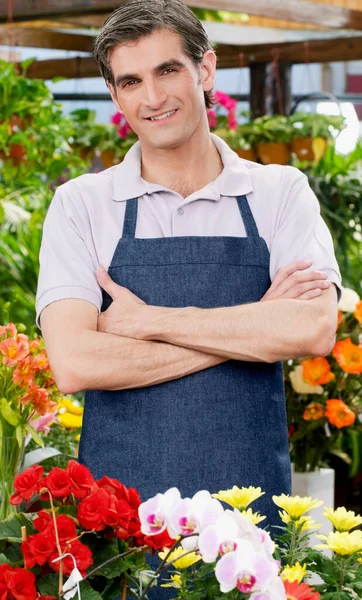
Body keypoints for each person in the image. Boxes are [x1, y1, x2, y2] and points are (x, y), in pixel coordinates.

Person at [36, 0, 341, 536]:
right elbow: (76, 362)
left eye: (167, 70)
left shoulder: (278, 192)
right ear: (114, 94)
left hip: (248, 526)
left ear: (205, 69)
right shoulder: (81, 204)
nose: (151, 98)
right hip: (121, 530)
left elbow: (310, 328)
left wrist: (151, 320)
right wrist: (251, 326)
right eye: (130, 82)